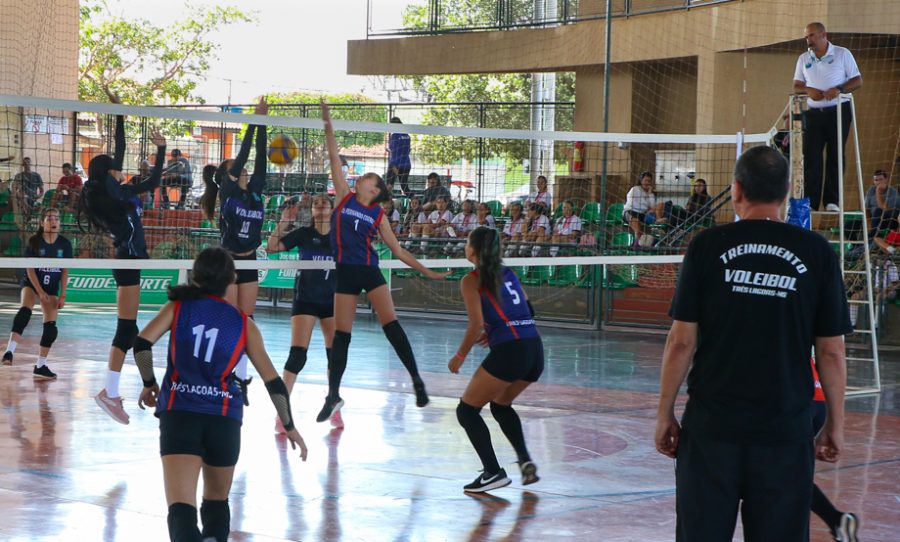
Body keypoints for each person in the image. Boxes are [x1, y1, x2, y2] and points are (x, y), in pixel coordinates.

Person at [654, 146, 851, 541]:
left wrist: (664, 414)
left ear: (737, 190)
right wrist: (836, 423)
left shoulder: (706, 246)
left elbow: (680, 343)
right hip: (784, 430)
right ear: (786, 192)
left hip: (713, 429)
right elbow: (831, 351)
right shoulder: (818, 253)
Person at [132, 247, 307, 542]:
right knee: (216, 504)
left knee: (181, 509)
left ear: (196, 275)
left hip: (180, 413)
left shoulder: (178, 307)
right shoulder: (243, 323)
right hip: (224, 420)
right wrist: (289, 425)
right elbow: (274, 383)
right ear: (232, 279)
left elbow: (141, 345)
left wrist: (150, 383)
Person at [318, 101, 447, 423]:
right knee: (341, 336)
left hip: (369, 270)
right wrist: (328, 123)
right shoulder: (344, 197)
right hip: (346, 272)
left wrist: (427, 271)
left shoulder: (378, 215)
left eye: (370, 178)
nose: (364, 178)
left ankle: (417, 381)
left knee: (391, 325)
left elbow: (399, 251)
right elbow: (335, 157)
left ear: (374, 191)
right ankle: (333, 395)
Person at [82, 114, 166, 425]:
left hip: (131, 261)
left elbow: (155, 182)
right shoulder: (110, 189)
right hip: (127, 261)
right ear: (107, 173)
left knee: (131, 331)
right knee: (125, 331)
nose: (121, 170)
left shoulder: (122, 192)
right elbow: (118, 151)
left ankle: (145, 384)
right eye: (115, 169)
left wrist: (161, 149)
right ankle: (111, 392)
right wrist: (117, 116)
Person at [449, 227, 543, 492]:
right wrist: (501, 328)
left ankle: (492, 472)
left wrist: (460, 356)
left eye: (467, 242)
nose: (464, 246)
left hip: (511, 351)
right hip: (534, 349)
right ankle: (525, 461)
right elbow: (529, 308)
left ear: (474, 249)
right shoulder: (509, 273)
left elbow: (476, 323)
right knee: (501, 405)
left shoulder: (472, 279)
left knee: (466, 411)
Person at [200, 98, 269, 399]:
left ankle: (239, 378)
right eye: (237, 169)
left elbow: (262, 157)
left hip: (250, 260)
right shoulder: (228, 191)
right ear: (229, 175)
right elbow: (243, 154)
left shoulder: (254, 192)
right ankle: (220, 373)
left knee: (247, 320)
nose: (243, 170)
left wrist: (263, 125)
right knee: (227, 319)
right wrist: (253, 122)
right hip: (228, 262)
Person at [266, 195, 338, 429]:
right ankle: (282, 411)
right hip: (306, 298)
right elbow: (271, 248)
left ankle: (333, 402)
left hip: (333, 300)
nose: (319, 206)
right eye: (316, 204)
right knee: (298, 354)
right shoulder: (304, 234)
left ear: (332, 208)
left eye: (324, 203)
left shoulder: (340, 236)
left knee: (335, 355)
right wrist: (284, 221)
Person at [793, 21, 863, 212]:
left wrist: (838, 89)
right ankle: (811, 201)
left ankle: (832, 201)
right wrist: (809, 90)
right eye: (807, 36)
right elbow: (797, 85)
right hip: (814, 113)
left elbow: (857, 80)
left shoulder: (842, 53)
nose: (809, 40)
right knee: (812, 157)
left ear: (824, 35)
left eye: (812, 35)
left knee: (835, 154)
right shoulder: (803, 58)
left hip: (839, 110)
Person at [1, 208, 72, 380]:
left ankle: (40, 365)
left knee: (51, 329)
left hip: (51, 288)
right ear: (42, 222)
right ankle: (9, 352)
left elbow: (64, 271)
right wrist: (39, 292)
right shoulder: (35, 242)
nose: (53, 221)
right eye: (49, 218)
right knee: (25, 311)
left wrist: (63, 295)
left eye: (56, 218)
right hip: (33, 285)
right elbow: (30, 269)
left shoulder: (65, 244)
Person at [809, 359, 860, 541]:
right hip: (818, 396)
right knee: (792, 475)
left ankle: (837, 520)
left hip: (793, 398)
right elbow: (830, 354)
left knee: (785, 476)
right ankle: (837, 521)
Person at [387, 117, 411, 196]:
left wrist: (393, 166)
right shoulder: (407, 135)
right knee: (404, 187)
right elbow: (408, 150)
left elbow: (393, 150)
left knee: (389, 184)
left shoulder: (394, 136)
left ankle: (386, 201)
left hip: (396, 164)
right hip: (406, 164)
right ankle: (414, 200)